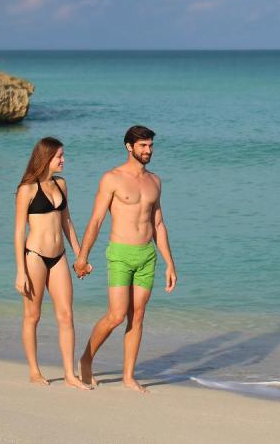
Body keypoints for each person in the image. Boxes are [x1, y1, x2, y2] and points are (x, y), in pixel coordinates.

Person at [73, 125, 178, 392]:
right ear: (128, 147)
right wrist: (82, 257)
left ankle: (129, 376)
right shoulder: (112, 178)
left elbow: (159, 224)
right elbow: (96, 220)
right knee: (117, 315)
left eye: (150, 146)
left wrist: (169, 263)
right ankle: (86, 358)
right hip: (120, 253)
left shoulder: (155, 181)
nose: (148, 151)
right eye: (143, 146)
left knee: (138, 315)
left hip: (147, 256)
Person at [13, 136, 91, 389]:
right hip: (34, 256)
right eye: (59, 156)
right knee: (32, 316)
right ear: (47, 158)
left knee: (66, 315)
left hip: (59, 257)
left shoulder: (61, 185)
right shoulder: (27, 189)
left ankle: (69, 374)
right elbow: (18, 233)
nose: (63, 160)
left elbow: (67, 222)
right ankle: (34, 371)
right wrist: (20, 272)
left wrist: (80, 256)